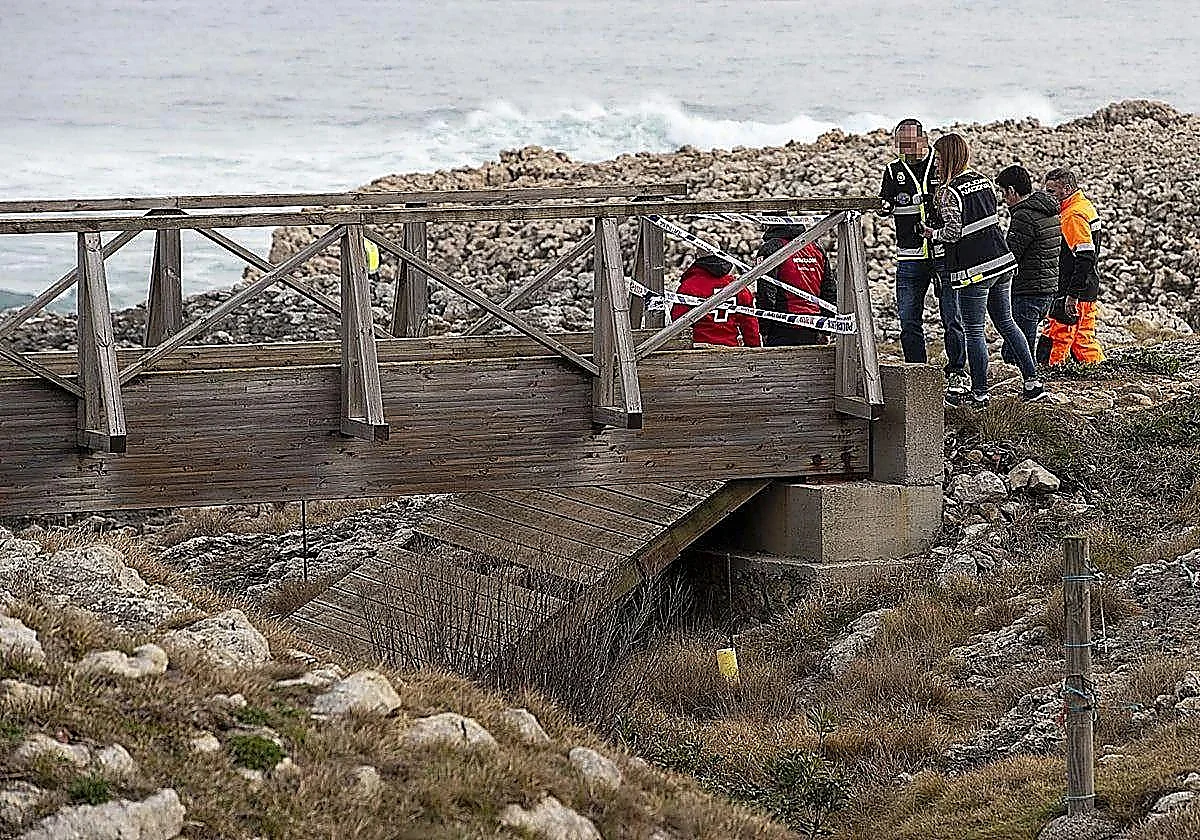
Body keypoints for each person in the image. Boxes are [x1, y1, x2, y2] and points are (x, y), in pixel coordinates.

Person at [924, 134, 1046, 407]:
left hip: (974, 270)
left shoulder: (947, 192)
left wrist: (932, 233)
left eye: (940, 158)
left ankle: (980, 393)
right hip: (1002, 262)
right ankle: (1032, 382)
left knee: (974, 331)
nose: (936, 164)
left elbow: (954, 232)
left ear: (949, 158)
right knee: (1006, 323)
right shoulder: (983, 181)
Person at [879, 118, 968, 393]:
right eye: (899, 143)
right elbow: (886, 200)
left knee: (952, 316)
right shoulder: (893, 170)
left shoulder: (940, 164)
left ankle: (956, 371)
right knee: (908, 319)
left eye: (908, 142)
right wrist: (884, 206)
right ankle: (917, 373)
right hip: (910, 255)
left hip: (942, 253)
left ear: (924, 138)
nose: (904, 148)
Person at [1038, 168, 1106, 366]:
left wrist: (1071, 295)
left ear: (1066, 189)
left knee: (1057, 337)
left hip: (1072, 290)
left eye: (1051, 191)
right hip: (1087, 288)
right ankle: (1097, 372)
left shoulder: (1072, 215)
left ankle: (1049, 377)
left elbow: (1084, 257)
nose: (1047, 196)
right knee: (1082, 340)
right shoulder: (1084, 205)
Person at [996, 164, 1061, 358]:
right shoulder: (1046, 210)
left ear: (1012, 191)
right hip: (1047, 288)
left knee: (1019, 351)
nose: (1003, 198)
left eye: (1003, 192)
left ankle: (1028, 383)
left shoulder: (1023, 215)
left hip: (1028, 290)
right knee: (1017, 345)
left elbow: (1011, 255)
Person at [754, 223, 836, 346]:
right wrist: (826, 329)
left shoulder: (771, 248)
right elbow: (829, 290)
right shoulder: (816, 248)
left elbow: (766, 292)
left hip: (782, 326)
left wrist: (764, 329)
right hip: (813, 325)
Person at [670, 253, 762, 348]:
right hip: (730, 349)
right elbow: (749, 323)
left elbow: (678, 321)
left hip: (698, 349)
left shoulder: (688, 286)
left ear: (697, 257)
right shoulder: (737, 286)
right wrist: (754, 349)